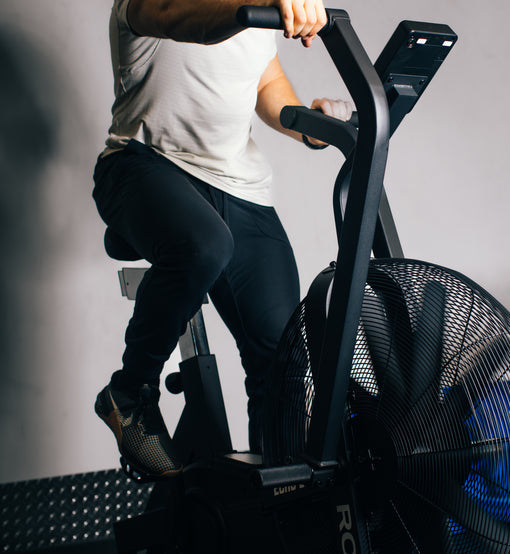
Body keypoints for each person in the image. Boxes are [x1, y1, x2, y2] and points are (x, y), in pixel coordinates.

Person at [93, 0, 351, 478]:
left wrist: (307, 123)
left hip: (237, 184)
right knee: (205, 245)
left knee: (284, 355)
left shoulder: (255, 9)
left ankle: (279, 502)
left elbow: (266, 80)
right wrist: (264, 5)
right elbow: (191, 19)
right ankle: (129, 396)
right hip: (143, 164)